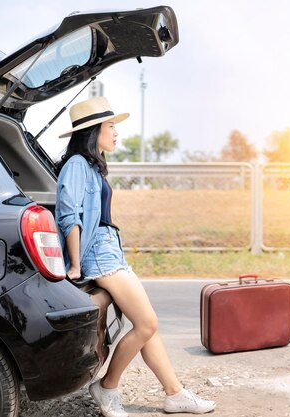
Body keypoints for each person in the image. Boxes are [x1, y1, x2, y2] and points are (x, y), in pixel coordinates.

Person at [55, 96, 216, 417]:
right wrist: (74, 264)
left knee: (147, 325)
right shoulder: (75, 165)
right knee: (147, 324)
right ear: (92, 130)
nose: (117, 132)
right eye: (111, 126)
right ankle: (107, 386)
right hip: (99, 253)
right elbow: (69, 215)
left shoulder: (90, 165)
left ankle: (175, 394)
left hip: (110, 247)